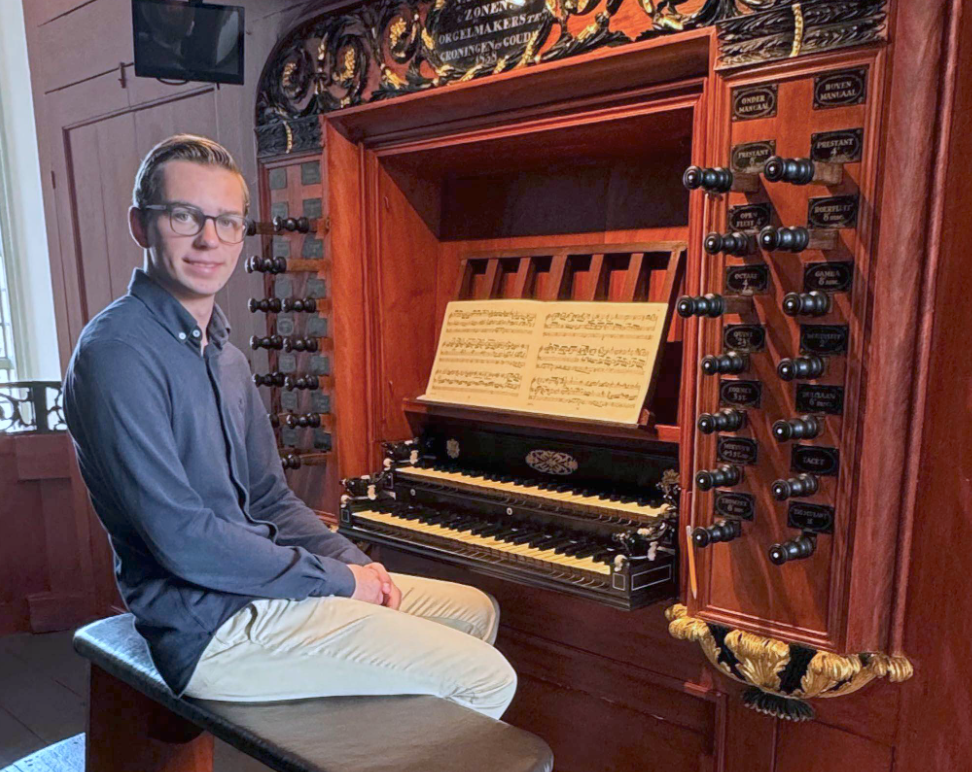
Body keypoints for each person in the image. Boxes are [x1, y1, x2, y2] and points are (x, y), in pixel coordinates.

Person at [63, 134, 517, 719]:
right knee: (485, 679)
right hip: (209, 627)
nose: (209, 239)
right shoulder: (117, 352)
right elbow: (182, 538)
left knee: (473, 611)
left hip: (262, 592)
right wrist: (337, 581)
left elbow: (273, 501)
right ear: (140, 225)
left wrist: (358, 566)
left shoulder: (222, 352)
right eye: (184, 216)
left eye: (227, 222)